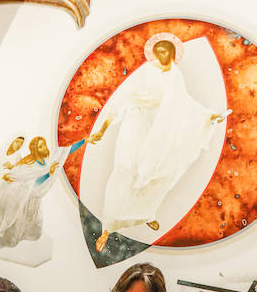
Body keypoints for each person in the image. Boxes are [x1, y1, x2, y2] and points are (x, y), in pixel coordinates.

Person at [94, 32, 228, 252]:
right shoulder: (145, 72)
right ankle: (107, 227)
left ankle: (145, 213)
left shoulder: (175, 76)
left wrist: (207, 117)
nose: (163, 55)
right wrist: (103, 129)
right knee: (124, 169)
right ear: (154, 53)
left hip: (160, 130)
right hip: (136, 122)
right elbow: (124, 99)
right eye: (159, 51)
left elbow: (185, 105)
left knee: (159, 174)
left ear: (173, 53)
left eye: (167, 51)